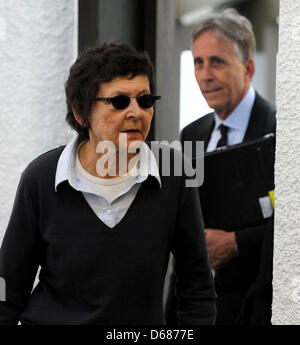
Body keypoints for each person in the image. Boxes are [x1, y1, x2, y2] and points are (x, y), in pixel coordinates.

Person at [0, 41, 216, 325]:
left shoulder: (174, 174)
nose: (136, 113)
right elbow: (8, 288)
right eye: (119, 102)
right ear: (81, 112)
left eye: (145, 100)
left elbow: (197, 287)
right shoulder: (42, 179)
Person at [166, 9, 276, 325]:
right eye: (198, 62)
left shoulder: (282, 131)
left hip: (257, 309)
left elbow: (291, 227)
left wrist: (236, 244)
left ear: (249, 67)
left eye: (217, 61)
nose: (205, 75)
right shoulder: (192, 134)